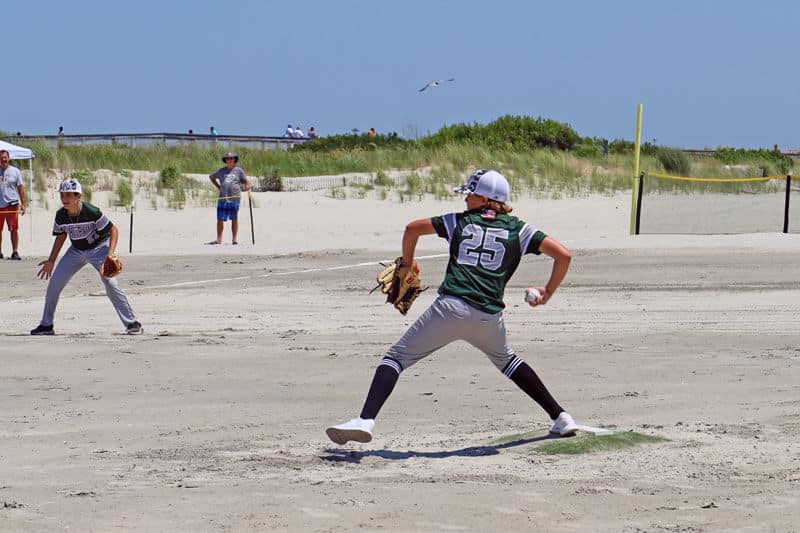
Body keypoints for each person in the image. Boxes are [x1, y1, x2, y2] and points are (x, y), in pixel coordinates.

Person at [326, 169, 578, 445]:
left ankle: (365, 421)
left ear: (485, 198)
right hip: (488, 317)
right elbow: (563, 255)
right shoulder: (521, 229)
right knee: (508, 361)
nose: (466, 199)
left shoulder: (458, 222)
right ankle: (561, 417)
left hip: (451, 308)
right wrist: (548, 291)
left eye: (470, 194)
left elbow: (412, 229)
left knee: (396, 358)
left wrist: (407, 263)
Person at [30, 178, 142, 336]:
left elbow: (113, 230)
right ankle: (46, 325)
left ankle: (132, 323)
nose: (64, 199)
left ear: (78, 196)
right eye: (62, 195)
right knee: (54, 283)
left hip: (99, 249)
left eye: (68, 195)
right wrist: (51, 260)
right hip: (75, 251)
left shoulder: (91, 211)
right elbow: (61, 236)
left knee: (110, 281)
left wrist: (110, 255)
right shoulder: (61, 215)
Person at [208, 152, 250, 245]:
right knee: (220, 219)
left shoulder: (238, 170)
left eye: (231, 158)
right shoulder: (221, 171)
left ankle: (234, 240)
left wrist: (247, 186)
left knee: (234, 218)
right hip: (223, 198)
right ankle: (219, 240)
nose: (229, 160)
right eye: (227, 159)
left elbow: (246, 181)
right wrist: (219, 187)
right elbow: (211, 177)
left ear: (234, 160)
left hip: (235, 198)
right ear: (225, 160)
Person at [0, 149, 26, 260]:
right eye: (1, 158)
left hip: (12, 204)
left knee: (13, 229)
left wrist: (23, 204)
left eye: (5, 157)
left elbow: (20, 188)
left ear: (8, 158)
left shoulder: (15, 171)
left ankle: (15, 251)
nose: (3, 159)